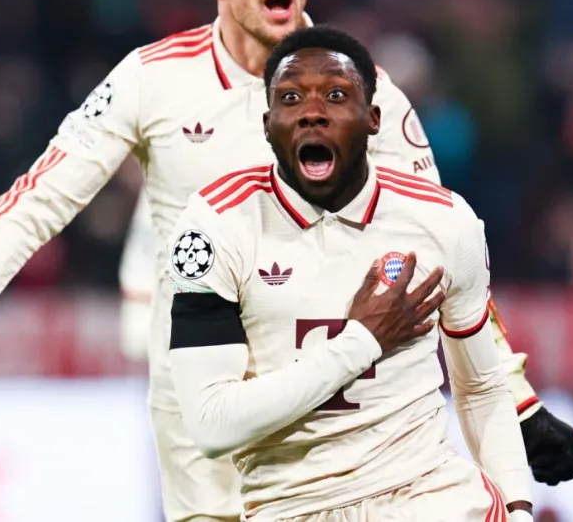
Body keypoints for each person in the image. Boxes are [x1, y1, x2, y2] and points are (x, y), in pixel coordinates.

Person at [0, 0, 573, 522]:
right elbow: (37, 201)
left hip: (351, 434)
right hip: (208, 413)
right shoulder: (152, 80)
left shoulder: (369, 97)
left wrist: (515, 402)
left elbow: (439, 248)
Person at [168, 25, 533, 521]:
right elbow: (211, 425)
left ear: (373, 119)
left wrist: (518, 505)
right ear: (268, 122)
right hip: (293, 505)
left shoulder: (444, 220)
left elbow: (481, 387)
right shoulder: (214, 226)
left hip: (425, 494)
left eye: (336, 96)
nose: (313, 112)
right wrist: (361, 341)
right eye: (291, 97)